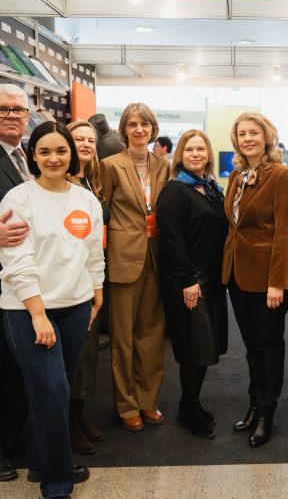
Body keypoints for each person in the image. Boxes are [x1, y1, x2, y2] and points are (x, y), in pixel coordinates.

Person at [0, 121, 104, 499]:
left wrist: (97, 291)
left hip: (76, 306)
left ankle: (41, 462)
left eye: (61, 150)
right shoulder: (18, 199)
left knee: (55, 389)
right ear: (33, 156)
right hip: (27, 310)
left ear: (71, 155)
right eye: (44, 151)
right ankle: (57, 484)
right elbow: (16, 262)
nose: (54, 158)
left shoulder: (86, 200)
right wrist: (38, 314)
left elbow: (92, 251)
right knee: (52, 390)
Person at [222, 112, 288, 448]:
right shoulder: (237, 175)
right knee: (252, 348)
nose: (248, 139)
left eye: (254, 133)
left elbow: (286, 232)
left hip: (268, 278)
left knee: (269, 347)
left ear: (267, 137)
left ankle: (267, 412)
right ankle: (254, 404)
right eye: (242, 134)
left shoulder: (281, 175)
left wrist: (277, 282)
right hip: (238, 275)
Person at [100, 103, 170, 432]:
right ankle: (126, 405)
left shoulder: (165, 166)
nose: (139, 130)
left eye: (144, 124)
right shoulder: (110, 165)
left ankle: (148, 400)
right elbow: (102, 212)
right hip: (123, 258)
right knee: (123, 338)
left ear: (153, 129)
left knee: (152, 335)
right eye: (132, 124)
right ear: (124, 130)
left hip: (157, 257)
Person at [157, 130, 228, 439]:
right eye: (189, 149)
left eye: (200, 149)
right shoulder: (175, 191)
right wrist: (188, 280)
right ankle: (187, 410)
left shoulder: (211, 188)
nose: (196, 154)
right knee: (194, 348)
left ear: (208, 153)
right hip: (188, 280)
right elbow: (171, 240)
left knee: (205, 346)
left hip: (212, 279)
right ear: (180, 155)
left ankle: (192, 403)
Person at [66, 120, 110, 455]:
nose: (85, 144)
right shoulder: (60, 183)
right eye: (78, 138)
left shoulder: (92, 181)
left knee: (88, 353)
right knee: (73, 355)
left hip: (92, 276)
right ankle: (68, 424)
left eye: (90, 140)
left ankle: (79, 417)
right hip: (68, 281)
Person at [0, 83, 31, 482]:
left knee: (14, 366)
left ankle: (12, 438)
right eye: (3, 109)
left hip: (22, 281)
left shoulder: (28, 157)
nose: (11, 116)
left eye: (18, 110)